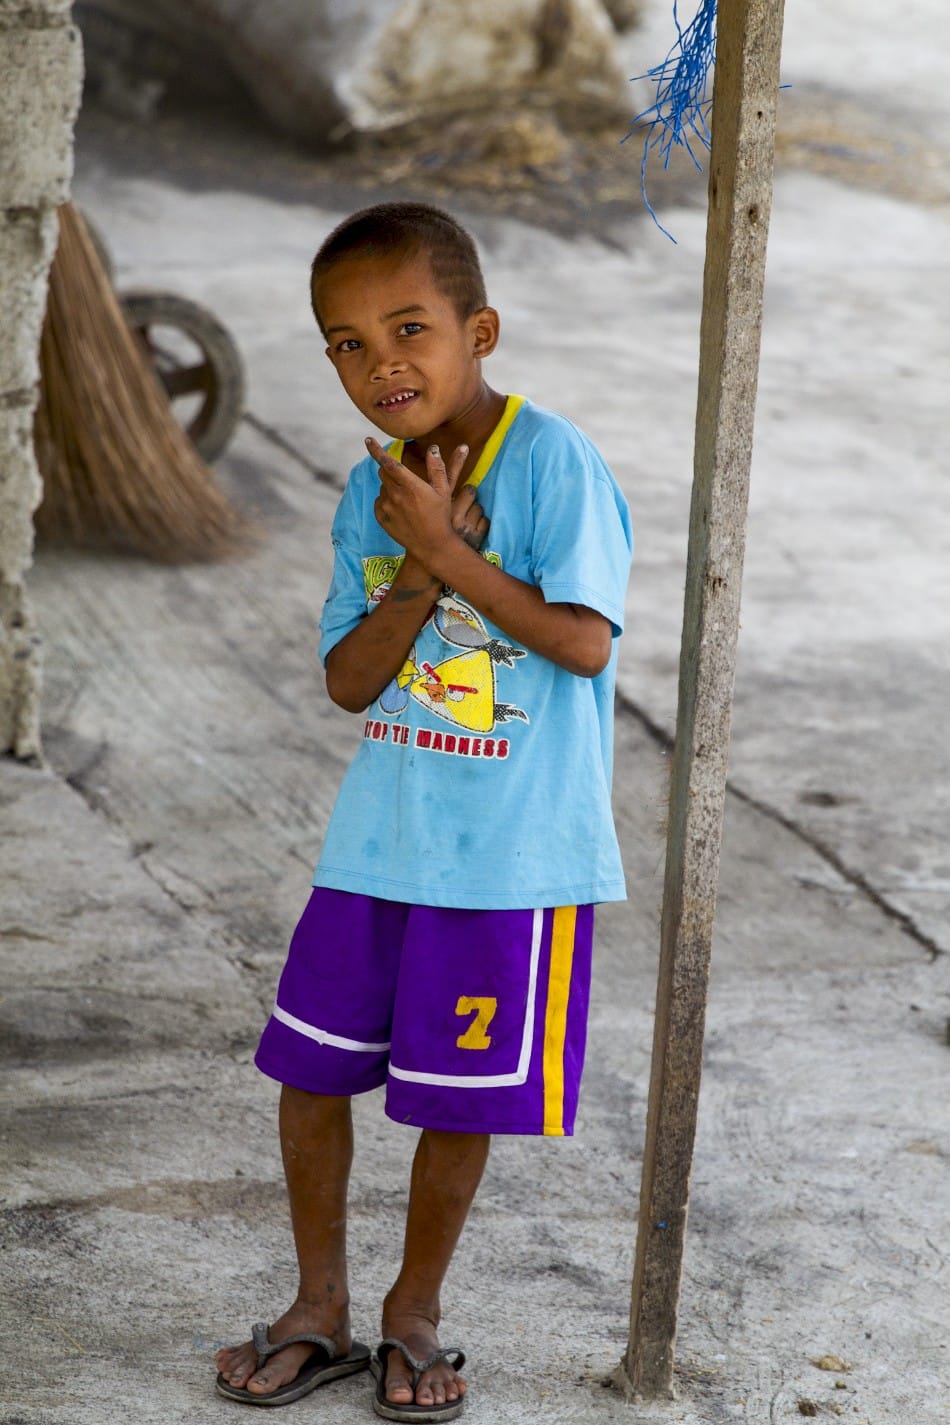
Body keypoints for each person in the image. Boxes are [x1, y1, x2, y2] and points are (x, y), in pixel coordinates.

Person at [215, 202, 633, 1420]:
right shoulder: (373, 494)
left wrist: (451, 555)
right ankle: (317, 1307)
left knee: (455, 1098)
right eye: (345, 343)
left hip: (511, 855)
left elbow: (581, 645)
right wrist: (411, 560)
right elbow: (350, 680)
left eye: (408, 328)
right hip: (379, 843)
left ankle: (413, 1315)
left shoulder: (553, 463)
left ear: (478, 330)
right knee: (311, 1073)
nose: (379, 362)